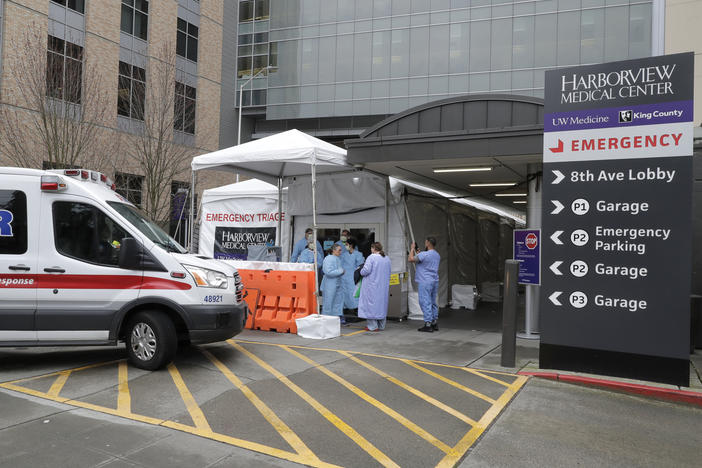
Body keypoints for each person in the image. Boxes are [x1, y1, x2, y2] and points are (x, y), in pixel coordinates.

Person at [409, 237, 440, 332]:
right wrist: (419, 253)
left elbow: (410, 259)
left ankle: (428, 323)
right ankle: (434, 322)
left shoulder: (424, 254)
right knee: (433, 301)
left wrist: (412, 249)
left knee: (425, 301)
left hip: (425, 281)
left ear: (428, 243)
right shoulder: (437, 255)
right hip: (434, 280)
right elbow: (424, 261)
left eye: (425, 242)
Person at [358, 242, 392, 331]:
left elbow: (366, 271)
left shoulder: (371, 257)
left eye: (371, 248)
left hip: (371, 286)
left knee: (371, 306)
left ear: (373, 248)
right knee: (381, 305)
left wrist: (360, 271)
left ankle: (372, 326)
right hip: (383, 286)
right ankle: (381, 325)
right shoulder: (386, 258)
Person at [320, 243, 345, 320]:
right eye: (339, 250)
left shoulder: (337, 258)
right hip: (329, 285)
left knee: (337, 302)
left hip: (336, 284)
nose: (340, 252)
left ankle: (335, 319)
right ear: (334, 250)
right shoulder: (328, 259)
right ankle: (326, 319)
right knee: (328, 302)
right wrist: (340, 271)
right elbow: (328, 272)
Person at [341, 237, 364, 310]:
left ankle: (355, 308)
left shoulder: (358, 254)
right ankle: (346, 308)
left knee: (353, 293)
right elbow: (341, 264)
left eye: (347, 244)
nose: (345, 246)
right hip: (344, 277)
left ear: (351, 245)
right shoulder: (344, 255)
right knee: (346, 293)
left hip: (354, 277)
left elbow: (360, 266)